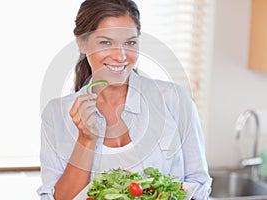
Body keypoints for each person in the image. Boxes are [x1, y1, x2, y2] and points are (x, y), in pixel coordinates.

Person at [37, 0, 212, 199]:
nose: (120, 56)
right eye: (106, 42)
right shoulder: (56, 115)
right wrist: (86, 139)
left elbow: (199, 185)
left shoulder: (173, 100)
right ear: (82, 43)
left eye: (130, 42)